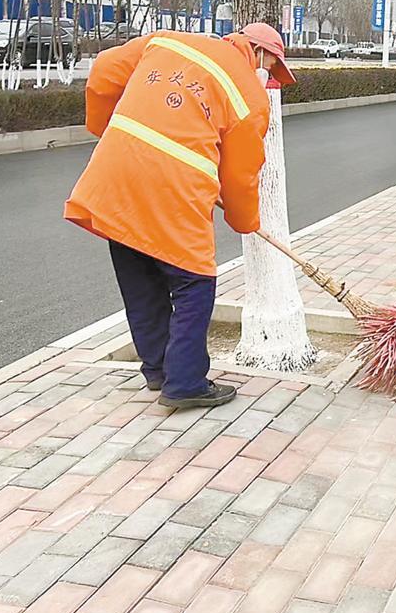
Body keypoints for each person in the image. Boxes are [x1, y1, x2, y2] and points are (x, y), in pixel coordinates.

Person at [65, 23, 296, 408]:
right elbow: (241, 176)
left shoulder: (168, 41)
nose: (268, 74)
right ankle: (185, 383)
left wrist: (105, 129)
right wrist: (245, 221)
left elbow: (104, 70)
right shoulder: (249, 98)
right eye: (271, 65)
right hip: (172, 191)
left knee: (139, 272)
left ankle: (158, 370)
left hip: (114, 178)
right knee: (195, 282)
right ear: (258, 51)